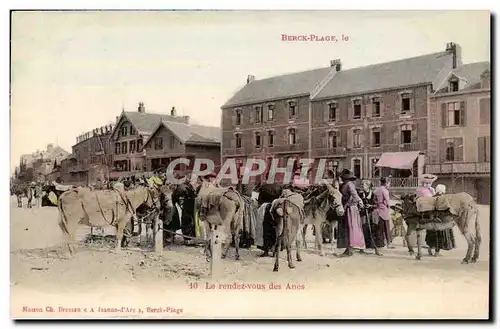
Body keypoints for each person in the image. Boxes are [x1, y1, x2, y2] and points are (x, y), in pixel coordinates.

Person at [337, 169, 365, 257]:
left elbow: (354, 195)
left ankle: (349, 249)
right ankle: (349, 249)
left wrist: (360, 202)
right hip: (348, 208)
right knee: (349, 228)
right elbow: (353, 194)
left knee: (349, 228)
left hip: (349, 208)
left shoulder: (347, 185)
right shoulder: (346, 185)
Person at [425, 184, 456, 256]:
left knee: (431, 234)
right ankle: (436, 252)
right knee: (439, 236)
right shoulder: (444, 198)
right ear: (443, 191)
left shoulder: (431, 198)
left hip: (431, 219)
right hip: (441, 220)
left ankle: (430, 249)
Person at [373, 177, 394, 249]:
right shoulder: (385, 191)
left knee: (379, 227)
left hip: (378, 209)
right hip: (384, 209)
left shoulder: (376, 190)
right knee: (387, 227)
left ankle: (380, 243)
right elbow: (388, 201)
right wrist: (388, 206)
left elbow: (374, 200)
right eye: (389, 183)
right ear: (386, 183)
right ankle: (389, 243)